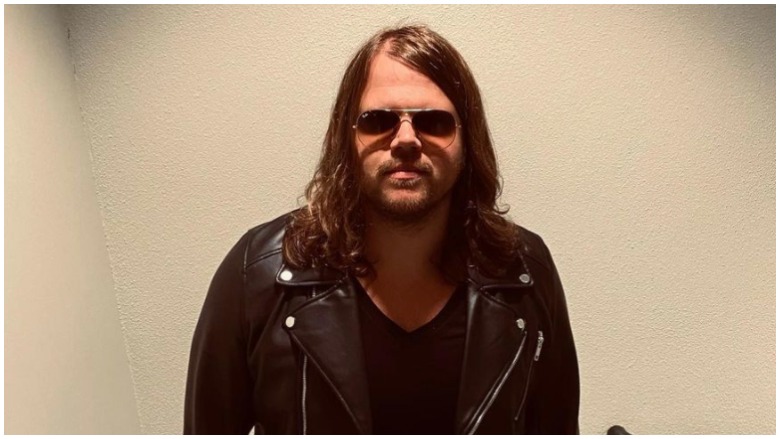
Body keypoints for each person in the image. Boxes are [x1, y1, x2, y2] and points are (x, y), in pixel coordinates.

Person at [184, 24, 579, 435]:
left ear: (468, 139)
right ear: (346, 136)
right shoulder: (257, 274)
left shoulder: (525, 271)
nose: (406, 139)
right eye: (378, 121)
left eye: (434, 122)